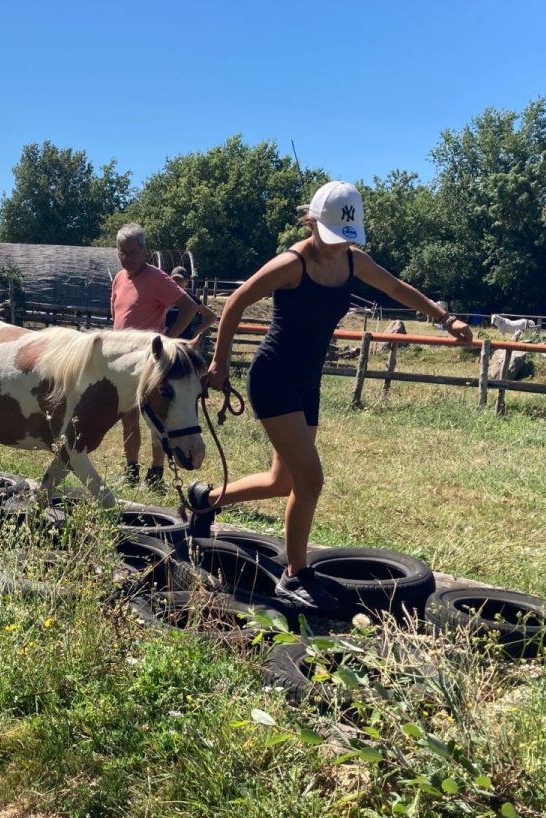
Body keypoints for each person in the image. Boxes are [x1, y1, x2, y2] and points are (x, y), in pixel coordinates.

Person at [185, 181, 472, 610]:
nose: (338, 247)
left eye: (346, 240)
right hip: (273, 376)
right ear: (312, 222)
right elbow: (236, 303)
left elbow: (396, 288)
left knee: (284, 482)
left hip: (307, 380)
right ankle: (294, 575)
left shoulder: (355, 261)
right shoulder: (292, 264)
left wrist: (445, 318)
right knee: (311, 480)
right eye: (332, 236)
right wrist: (219, 364)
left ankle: (204, 500)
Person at [111, 223, 217, 489]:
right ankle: (131, 469)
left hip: (150, 360)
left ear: (144, 251)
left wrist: (169, 338)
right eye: (122, 252)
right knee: (128, 417)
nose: (127, 258)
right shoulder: (119, 279)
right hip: (124, 362)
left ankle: (156, 473)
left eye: (133, 252)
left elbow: (190, 307)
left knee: (157, 418)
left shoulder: (157, 277)